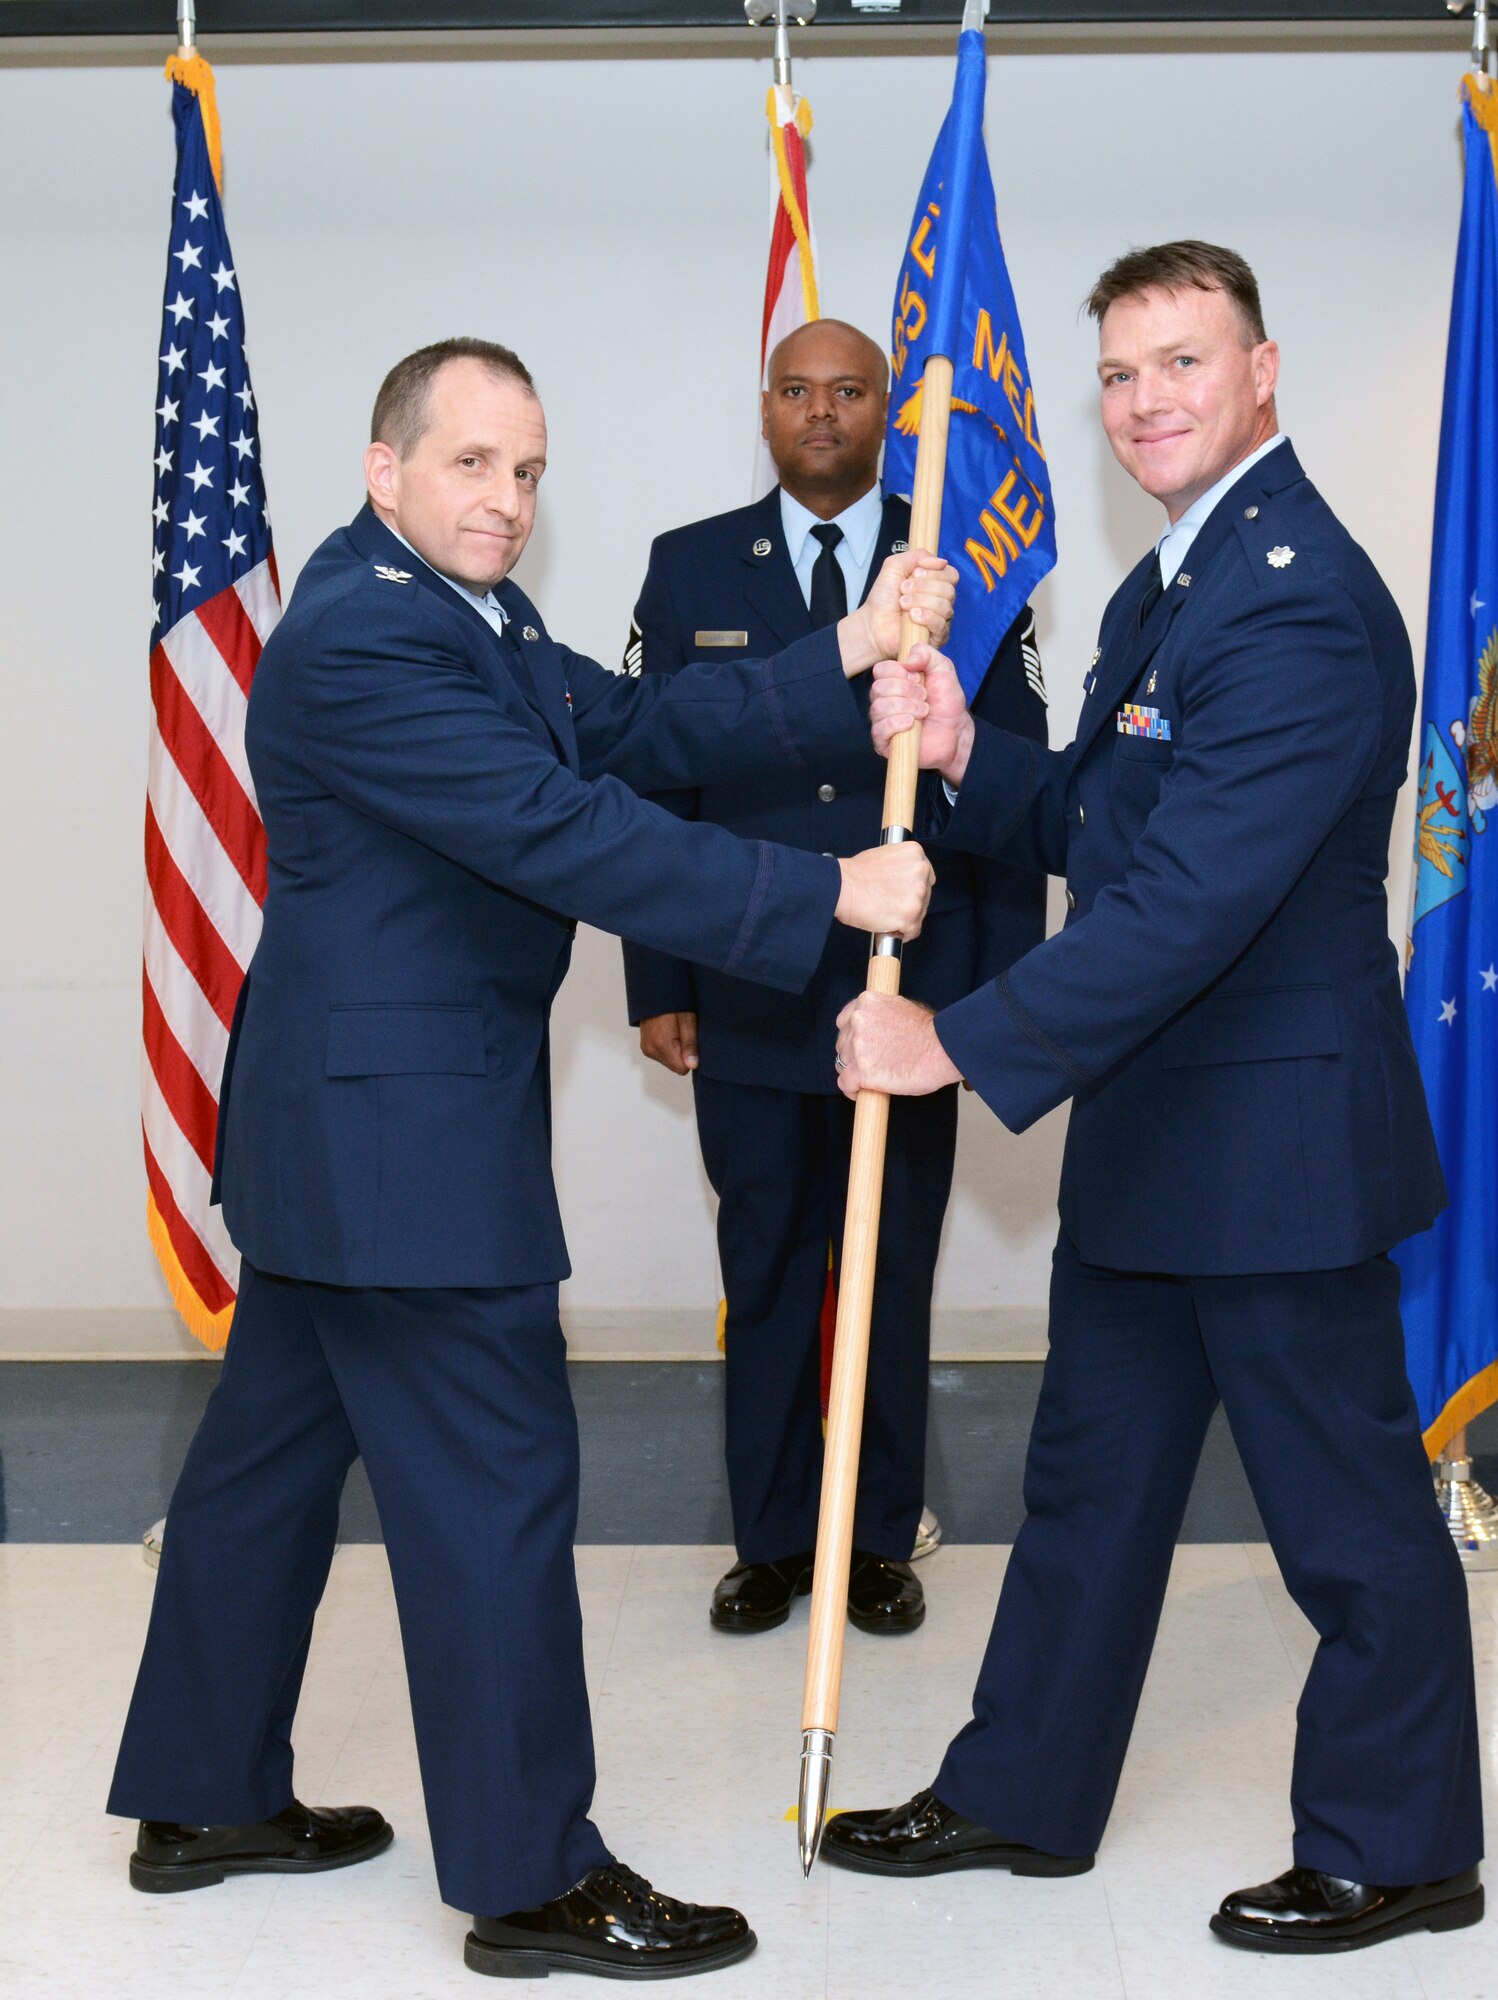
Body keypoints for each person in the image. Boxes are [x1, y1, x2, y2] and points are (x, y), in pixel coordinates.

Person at [107, 337, 953, 1984]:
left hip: (348, 1133)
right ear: (386, 468)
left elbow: (638, 724)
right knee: (496, 1492)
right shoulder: (363, 638)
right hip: (398, 1152)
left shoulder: (457, 615)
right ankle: (532, 1878)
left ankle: (205, 1795)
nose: (506, 500)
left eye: (529, 471)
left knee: (265, 1477)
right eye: (473, 465)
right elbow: (559, 824)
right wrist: (827, 897)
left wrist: (844, 643)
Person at [826, 244, 1485, 1956]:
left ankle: (1402, 1847)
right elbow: (1109, 835)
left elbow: (1195, 897)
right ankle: (1024, 1792)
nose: (1146, 403)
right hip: (1155, 1137)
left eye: (1182, 363)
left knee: (1343, 1522)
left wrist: (955, 1042)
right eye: (1119, 374)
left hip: (1272, 1151)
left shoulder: (1296, 598)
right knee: (1090, 1492)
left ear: (1264, 370)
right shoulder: (1172, 589)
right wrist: (976, 759)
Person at [622, 318, 1047, 1636]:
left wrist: (993, 1003)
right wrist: (657, 982)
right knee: (763, 1265)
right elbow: (652, 787)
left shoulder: (962, 564)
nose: (821, 413)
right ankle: (768, 1543)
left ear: (885, 411)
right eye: (797, 391)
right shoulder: (688, 565)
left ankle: (872, 1540)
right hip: (745, 989)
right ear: (766, 409)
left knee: (888, 1267)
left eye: (849, 391)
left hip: (907, 1000)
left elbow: (1016, 788)